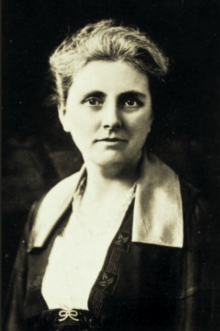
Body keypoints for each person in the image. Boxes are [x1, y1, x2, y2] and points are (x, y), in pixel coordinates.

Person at [4, 19, 209, 331]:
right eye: (93, 100)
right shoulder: (44, 212)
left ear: (151, 115)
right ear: (64, 113)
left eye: (130, 101)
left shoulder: (188, 213)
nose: (111, 119)